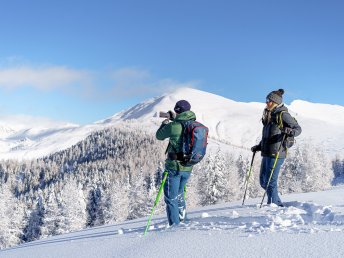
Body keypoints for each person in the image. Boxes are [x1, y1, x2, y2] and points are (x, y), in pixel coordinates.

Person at [251, 89, 302, 207]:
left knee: (271, 181)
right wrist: (259, 146)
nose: (266, 103)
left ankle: (274, 205)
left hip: (278, 153)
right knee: (263, 181)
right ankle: (275, 203)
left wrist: (290, 131)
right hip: (266, 152)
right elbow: (268, 136)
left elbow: (298, 129)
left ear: (275, 102)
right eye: (266, 100)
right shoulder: (269, 114)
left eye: (268, 100)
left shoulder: (283, 114)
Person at [156, 100, 195, 226]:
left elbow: (159, 136)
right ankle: (183, 221)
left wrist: (166, 122)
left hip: (173, 168)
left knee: (171, 198)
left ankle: (175, 227)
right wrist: (175, 120)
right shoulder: (193, 124)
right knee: (179, 195)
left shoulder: (174, 126)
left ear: (177, 111)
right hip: (187, 167)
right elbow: (181, 129)